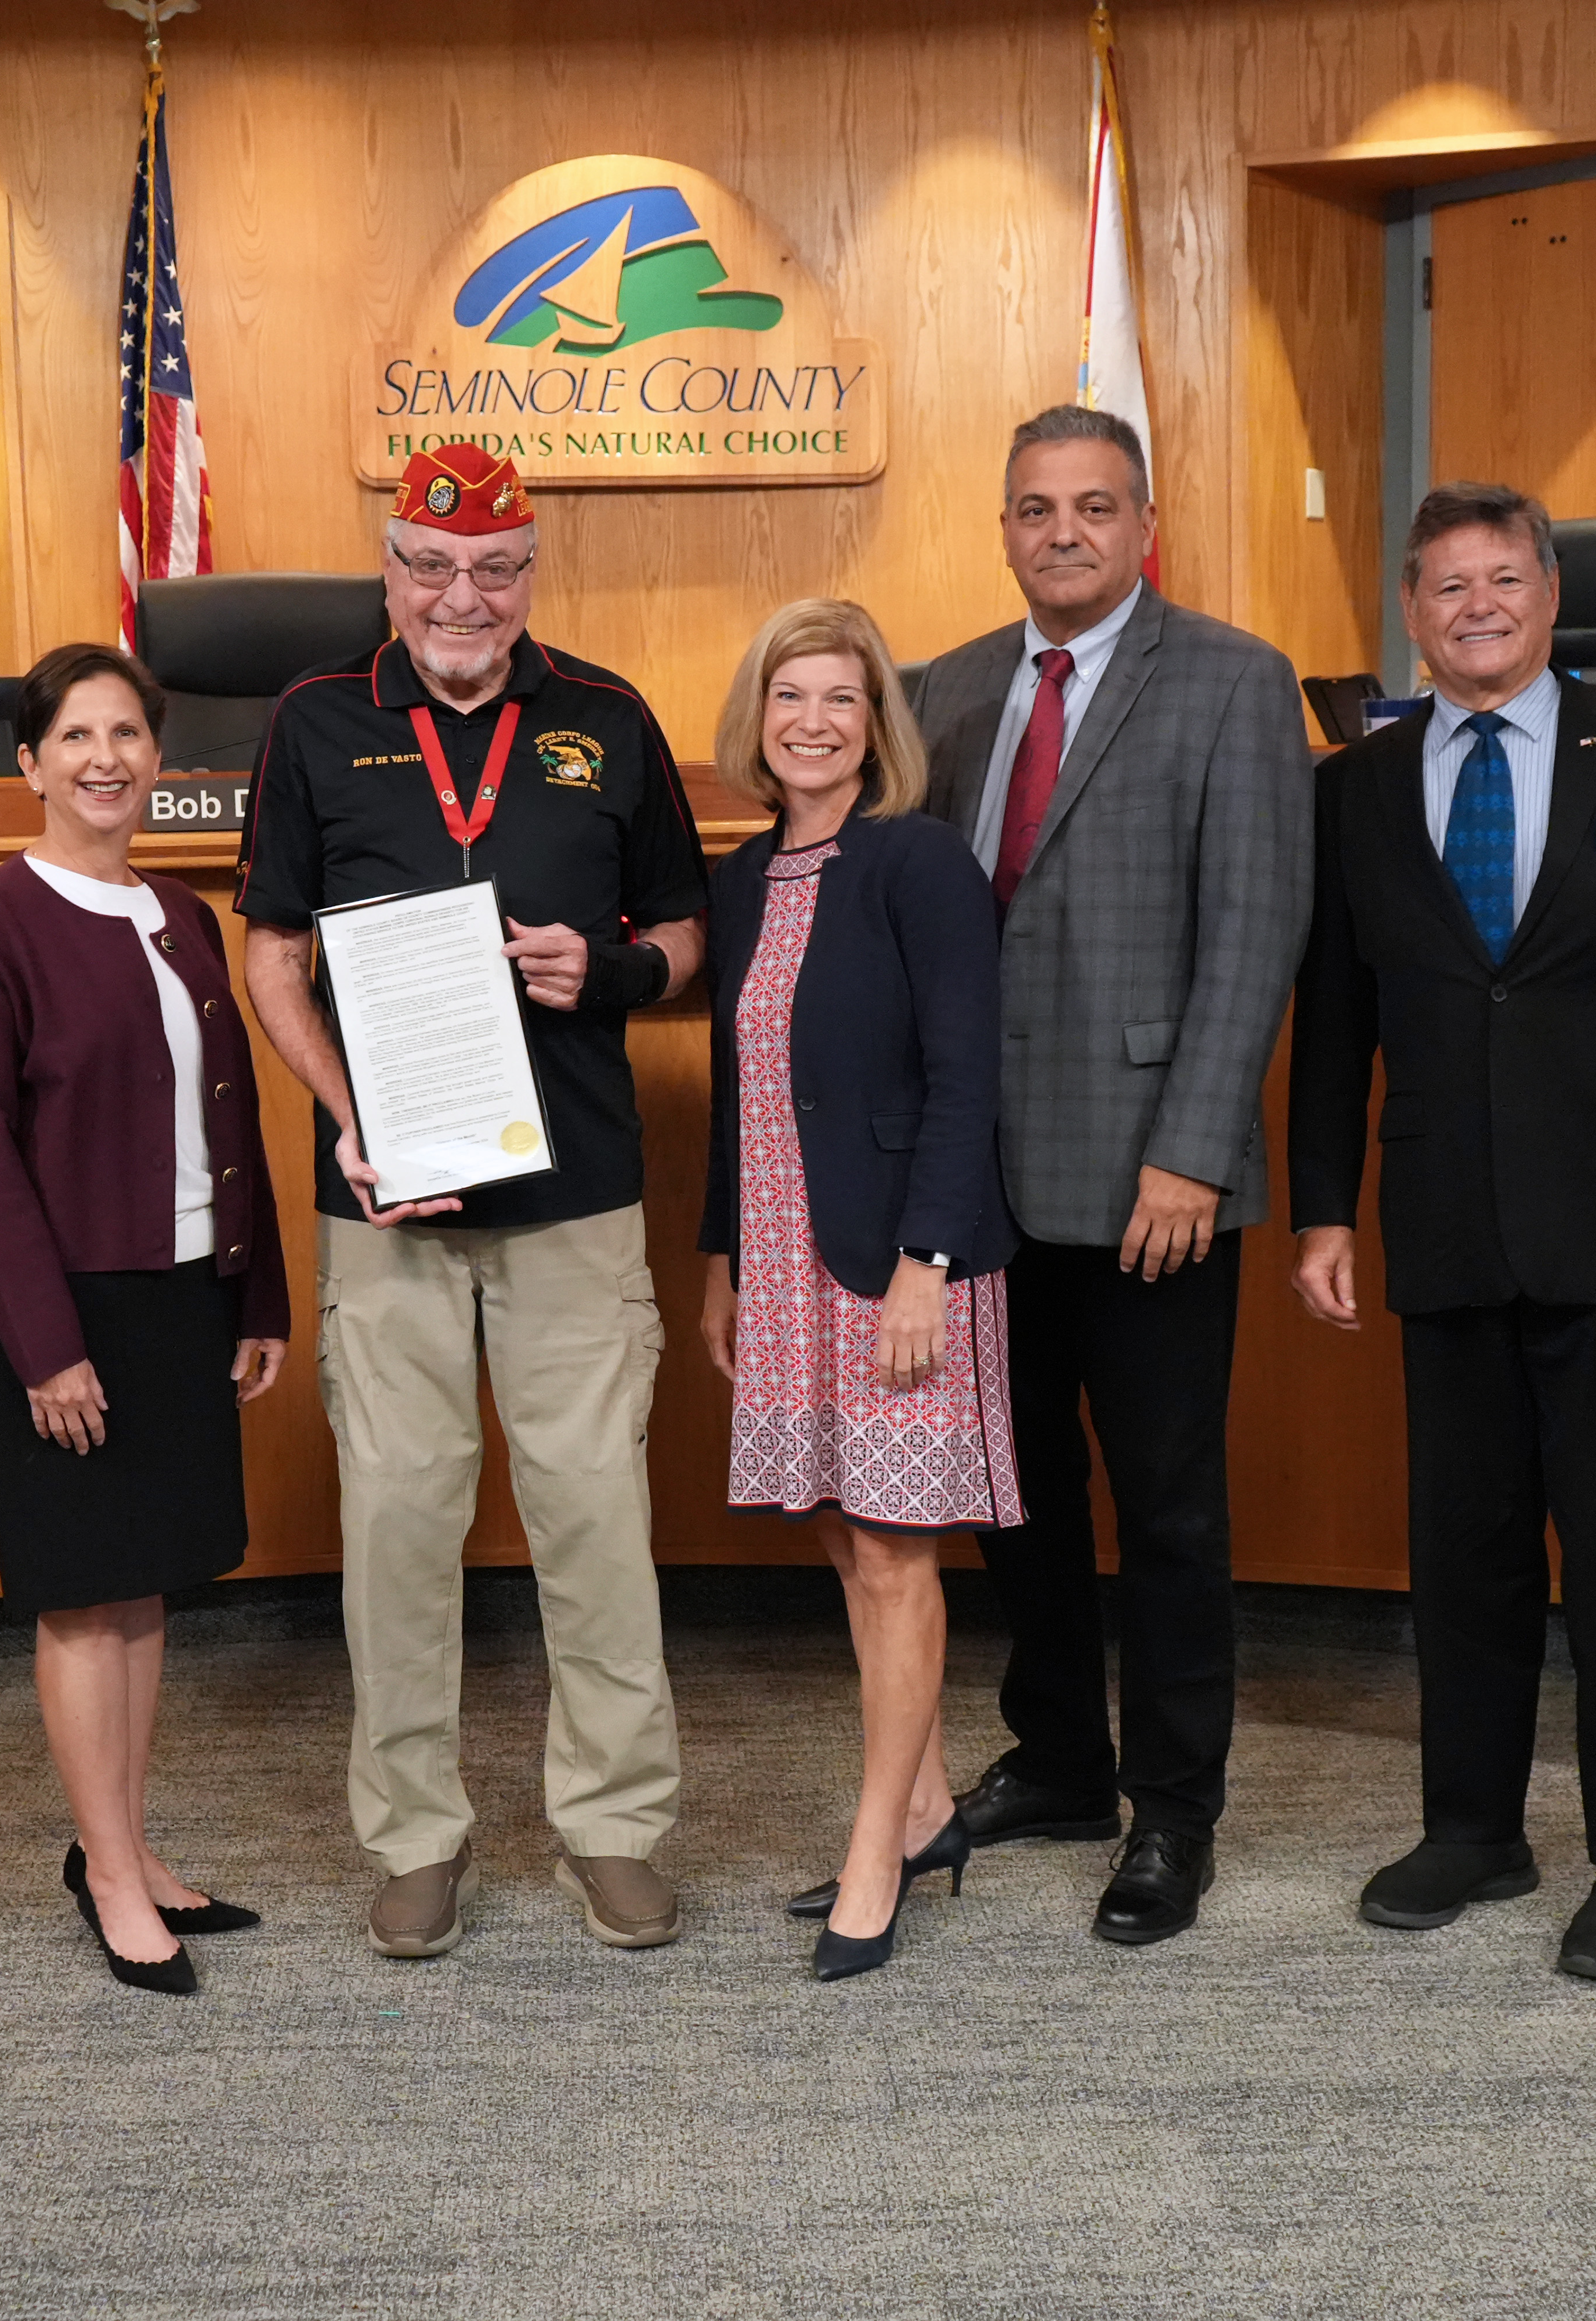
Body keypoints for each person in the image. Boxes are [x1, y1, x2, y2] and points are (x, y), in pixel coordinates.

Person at [236, 441, 709, 1960]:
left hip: (574, 1197)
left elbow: (690, 933)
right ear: (391, 573)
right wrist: (344, 1114)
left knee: (595, 1524)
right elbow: (269, 955)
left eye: (497, 566)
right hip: (391, 1208)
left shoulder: (607, 720)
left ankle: (616, 1827)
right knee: (396, 1526)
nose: (465, 594)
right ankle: (416, 1836)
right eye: (433, 567)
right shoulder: (313, 724)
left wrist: (615, 971)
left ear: (530, 574)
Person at [1286, 482, 1596, 1983]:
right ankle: (1474, 1826)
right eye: (1444, 588)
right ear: (1409, 616)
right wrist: (1317, 1211)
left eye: (1503, 580)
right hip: (1441, 1213)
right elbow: (1336, 1018)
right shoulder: (1356, 781)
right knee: (1463, 1548)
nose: (1475, 608)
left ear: (1552, 597)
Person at [911, 406, 1313, 1945]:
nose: (1061, 532)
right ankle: (1063, 1758)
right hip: (983, 1183)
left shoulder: (1233, 679)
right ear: (1003, 528)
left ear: (1143, 523)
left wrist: (1193, 1152)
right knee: (1016, 1501)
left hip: (1155, 1183)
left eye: (1092, 507)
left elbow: (1256, 929)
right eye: (1033, 509)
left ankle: (1175, 1811)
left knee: (1169, 1508)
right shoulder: (942, 690)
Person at [0, 641, 290, 1998]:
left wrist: (255, 1290)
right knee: (85, 1598)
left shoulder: (184, 914)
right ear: (28, 762)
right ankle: (110, 1872)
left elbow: (231, 1123)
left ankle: (124, 1845)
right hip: (66, 1309)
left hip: (182, 1293)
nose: (105, 760)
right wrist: (45, 1344)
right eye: (76, 736)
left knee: (145, 1589)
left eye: (127, 734)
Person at [694, 600, 1020, 1983]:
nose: (813, 721)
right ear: (756, 722)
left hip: (900, 1264)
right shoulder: (739, 877)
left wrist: (927, 1262)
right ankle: (934, 1796)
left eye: (840, 698)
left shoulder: (919, 863)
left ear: (875, 723)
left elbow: (967, 1073)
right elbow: (740, 1096)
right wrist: (720, 1253)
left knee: (897, 1553)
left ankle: (879, 1840)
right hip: (778, 1262)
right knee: (838, 1528)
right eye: (789, 698)